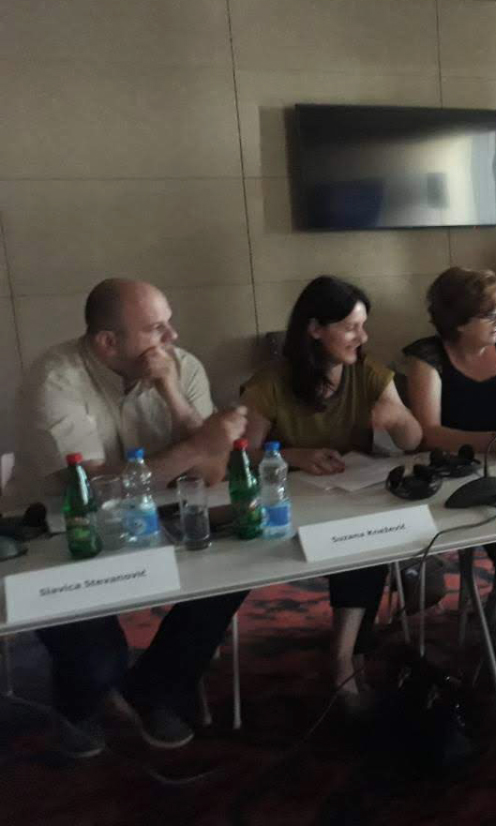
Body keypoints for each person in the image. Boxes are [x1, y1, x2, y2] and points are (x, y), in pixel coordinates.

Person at [7, 279, 248, 757]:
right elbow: (93, 489)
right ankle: (76, 706)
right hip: (61, 531)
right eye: (156, 329)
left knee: (236, 570)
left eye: (168, 324)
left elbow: (210, 472)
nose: (172, 337)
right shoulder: (54, 380)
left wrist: (172, 394)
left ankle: (153, 689)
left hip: (161, 517)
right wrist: (199, 445)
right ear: (107, 343)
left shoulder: (181, 366)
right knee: (99, 663)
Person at [240, 276, 423, 706]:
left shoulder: (368, 372)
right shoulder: (270, 383)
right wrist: (292, 455)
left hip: (352, 498)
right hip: (289, 508)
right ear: (314, 329)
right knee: (363, 541)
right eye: (351, 327)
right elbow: (241, 454)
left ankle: (344, 656)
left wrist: (397, 419)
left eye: (363, 326)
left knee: (367, 540)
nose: (363, 337)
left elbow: (414, 440)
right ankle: (348, 657)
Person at [403, 268, 496, 670]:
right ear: (458, 321)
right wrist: (490, 441)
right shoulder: (427, 357)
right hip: (451, 478)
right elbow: (428, 433)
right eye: (490, 315)